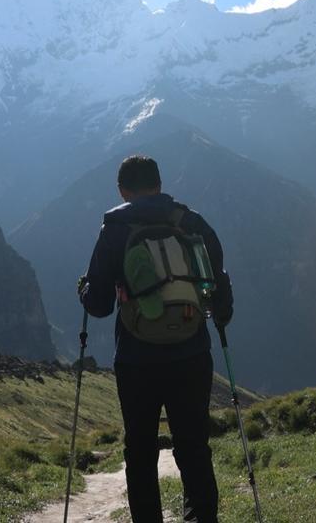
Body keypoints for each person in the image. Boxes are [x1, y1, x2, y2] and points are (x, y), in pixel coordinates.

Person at [81, 154, 233, 523]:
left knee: (140, 452)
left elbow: (99, 305)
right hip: (191, 352)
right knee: (193, 447)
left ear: (122, 191)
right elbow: (219, 288)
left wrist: (84, 291)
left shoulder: (114, 230)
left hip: (136, 359)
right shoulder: (192, 223)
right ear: (160, 185)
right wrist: (218, 317)